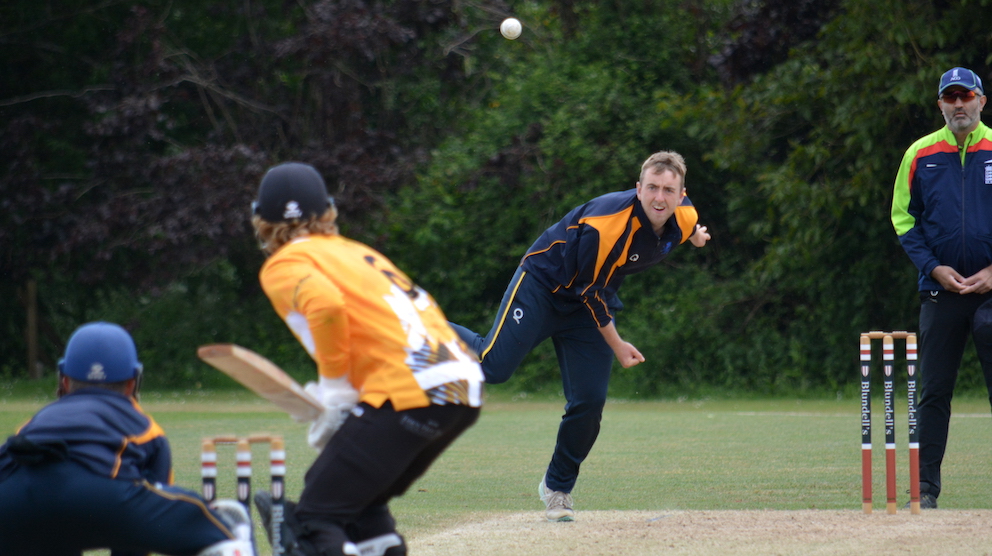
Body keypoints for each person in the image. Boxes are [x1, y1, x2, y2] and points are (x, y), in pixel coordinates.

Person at [450, 150, 711, 521]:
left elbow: (680, 233)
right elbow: (590, 292)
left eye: (669, 190)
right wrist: (618, 346)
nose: (659, 197)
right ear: (638, 188)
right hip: (542, 287)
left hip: (586, 306)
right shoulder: (609, 224)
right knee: (493, 367)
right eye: (651, 187)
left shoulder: (684, 217)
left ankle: (557, 488)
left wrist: (697, 238)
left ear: (681, 194)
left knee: (588, 402)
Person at [248, 162, 484, 556]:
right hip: (462, 385)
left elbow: (325, 307)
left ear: (262, 221)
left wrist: (336, 393)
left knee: (314, 518)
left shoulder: (285, 263)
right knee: (360, 508)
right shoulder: (356, 252)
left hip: (410, 390)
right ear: (328, 211)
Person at [0, 321, 254, 556]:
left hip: (13, 499)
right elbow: (143, 531)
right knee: (218, 524)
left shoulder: (33, 424)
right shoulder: (144, 426)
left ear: (64, 382)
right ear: (132, 384)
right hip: (102, 496)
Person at [891, 66, 992, 509]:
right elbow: (903, 219)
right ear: (940, 105)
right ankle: (926, 491)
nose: (958, 105)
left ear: (981, 101)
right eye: (949, 98)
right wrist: (934, 269)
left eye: (965, 97)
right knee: (932, 392)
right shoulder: (920, 154)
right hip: (941, 292)